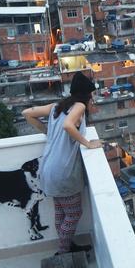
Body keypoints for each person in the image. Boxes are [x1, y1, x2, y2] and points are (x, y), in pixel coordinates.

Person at [22, 71, 102, 255]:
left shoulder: (56, 106)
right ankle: (63, 251)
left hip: (47, 168)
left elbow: (26, 113)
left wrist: (48, 132)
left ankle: (67, 245)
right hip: (63, 171)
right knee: (73, 214)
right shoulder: (80, 106)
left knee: (61, 212)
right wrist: (88, 143)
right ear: (87, 94)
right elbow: (68, 125)